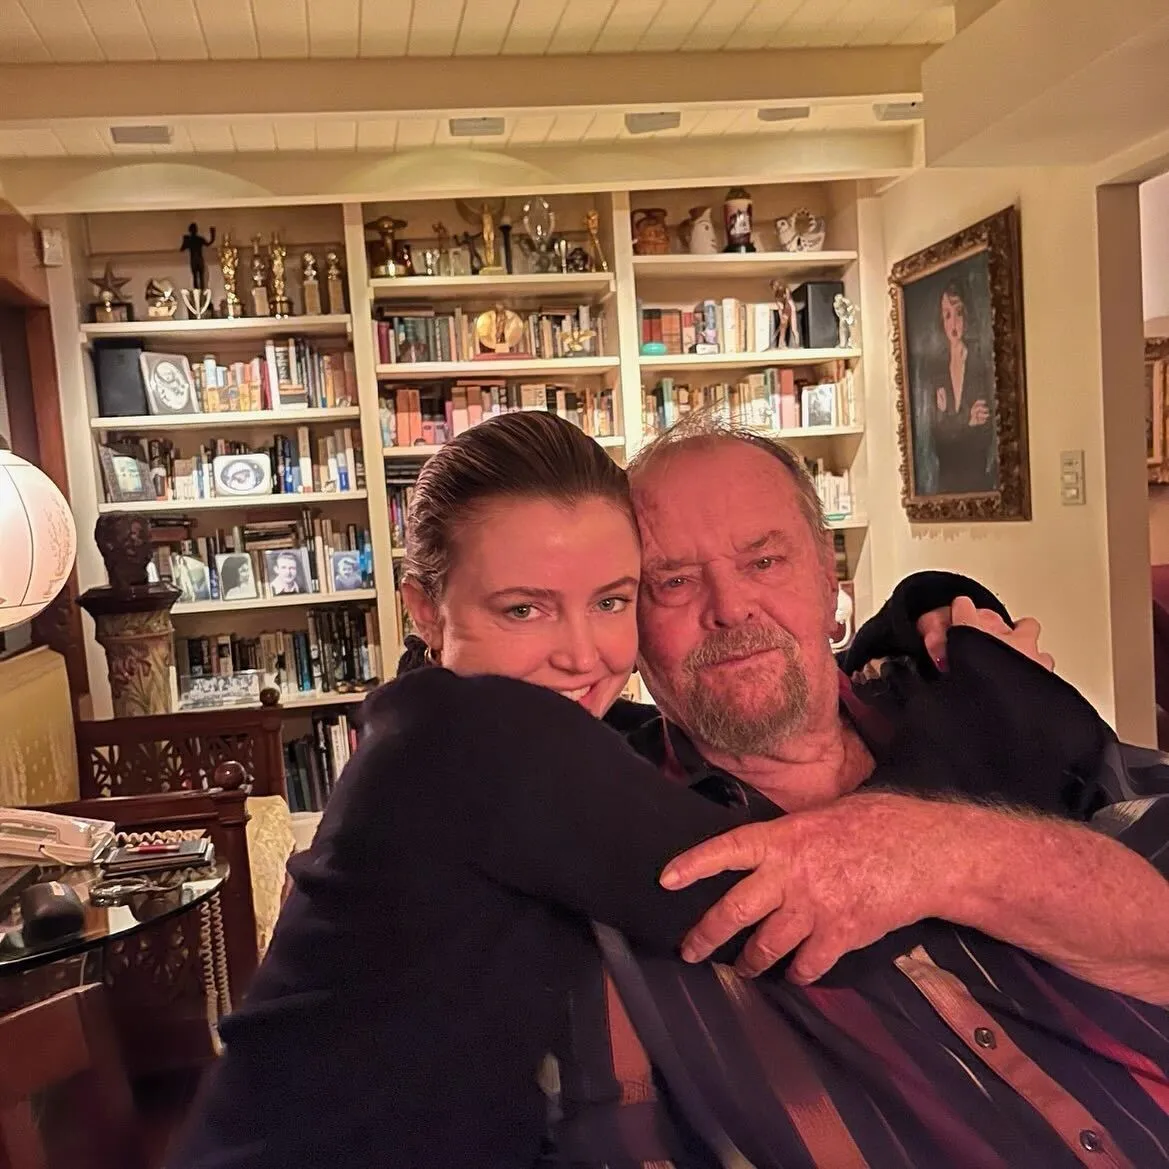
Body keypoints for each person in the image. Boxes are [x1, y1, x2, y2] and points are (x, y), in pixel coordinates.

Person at [171, 413, 1168, 1168]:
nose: (730, 606)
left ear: (831, 575)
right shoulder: (507, 760)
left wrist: (942, 647)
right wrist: (993, 708)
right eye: (670, 583)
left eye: (764, 558)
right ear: (425, 611)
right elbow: (790, 891)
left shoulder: (963, 717)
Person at [929, 280, 996, 493]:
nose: (954, 323)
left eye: (958, 313)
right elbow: (937, 437)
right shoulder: (937, 369)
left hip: (976, 478)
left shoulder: (979, 362)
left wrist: (950, 422)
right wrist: (967, 419)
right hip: (946, 480)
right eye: (947, 315)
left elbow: (984, 432)